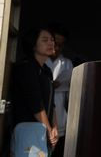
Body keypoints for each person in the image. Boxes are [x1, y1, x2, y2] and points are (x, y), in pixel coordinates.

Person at [11, 27, 59, 150]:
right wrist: (48, 130)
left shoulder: (47, 71)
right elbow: (36, 104)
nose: (51, 43)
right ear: (33, 45)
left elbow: (52, 104)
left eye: (52, 40)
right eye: (45, 40)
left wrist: (54, 127)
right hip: (27, 131)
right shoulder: (26, 67)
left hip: (43, 130)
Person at [45, 23, 74, 157]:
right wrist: (49, 85)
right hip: (42, 115)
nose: (57, 48)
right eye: (55, 43)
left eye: (61, 45)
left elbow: (70, 94)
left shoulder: (67, 63)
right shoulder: (41, 61)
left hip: (61, 115)